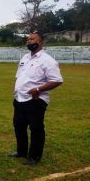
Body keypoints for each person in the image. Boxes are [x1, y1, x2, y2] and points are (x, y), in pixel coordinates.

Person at [9, 31, 63, 165]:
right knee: (18, 126)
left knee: (36, 128)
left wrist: (38, 89)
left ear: (40, 42)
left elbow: (57, 80)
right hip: (20, 98)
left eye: (32, 39)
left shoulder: (48, 60)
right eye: (28, 39)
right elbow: (20, 76)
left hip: (35, 100)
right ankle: (21, 151)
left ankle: (34, 156)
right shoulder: (25, 58)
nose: (29, 41)